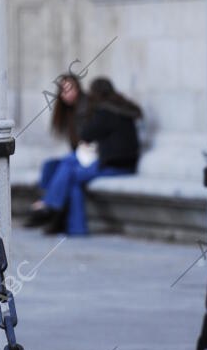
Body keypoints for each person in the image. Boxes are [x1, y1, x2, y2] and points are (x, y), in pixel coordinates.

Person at [26, 76, 142, 236]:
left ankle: (50, 207)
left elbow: (86, 134)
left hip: (115, 166)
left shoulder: (106, 111)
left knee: (70, 172)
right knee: (68, 177)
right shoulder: (119, 107)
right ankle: (75, 228)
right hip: (119, 164)